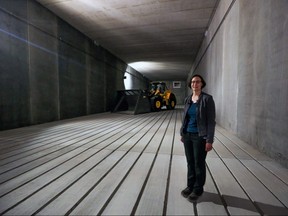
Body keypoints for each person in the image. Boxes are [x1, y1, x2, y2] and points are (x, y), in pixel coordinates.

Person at [180, 74, 216, 202]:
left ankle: (198, 189)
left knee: (198, 163)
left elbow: (211, 122)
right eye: (193, 82)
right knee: (190, 162)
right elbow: (185, 117)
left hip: (200, 136)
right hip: (187, 135)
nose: (195, 84)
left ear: (202, 84)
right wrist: (182, 133)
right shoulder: (187, 99)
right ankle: (190, 186)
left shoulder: (207, 99)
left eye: (197, 82)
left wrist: (209, 140)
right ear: (190, 84)